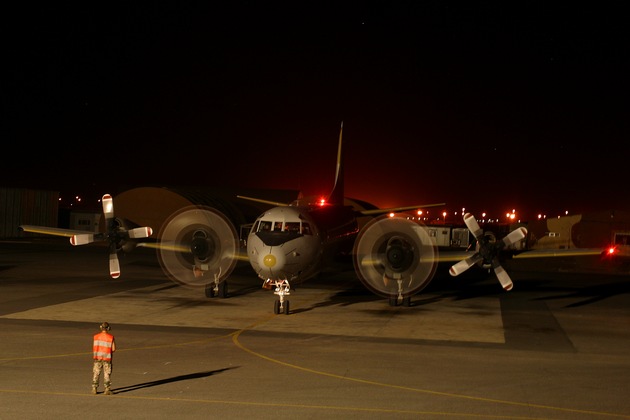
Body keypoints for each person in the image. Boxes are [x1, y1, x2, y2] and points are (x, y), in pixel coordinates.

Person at [92, 322, 116, 395]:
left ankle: (94, 388)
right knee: (107, 373)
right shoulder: (110, 337)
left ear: (100, 327)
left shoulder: (96, 336)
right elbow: (113, 349)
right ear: (108, 328)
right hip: (107, 358)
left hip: (97, 357)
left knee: (96, 373)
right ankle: (107, 389)